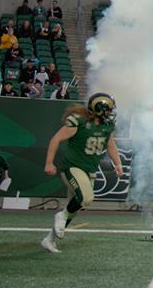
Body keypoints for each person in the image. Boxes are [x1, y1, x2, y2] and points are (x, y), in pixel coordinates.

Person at [40, 93, 120, 254]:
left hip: (89, 170)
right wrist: (49, 162)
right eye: (108, 109)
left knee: (74, 209)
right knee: (86, 197)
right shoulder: (79, 122)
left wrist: (118, 163)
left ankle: (49, 240)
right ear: (99, 109)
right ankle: (60, 216)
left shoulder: (107, 125)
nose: (110, 113)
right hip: (73, 167)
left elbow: (110, 145)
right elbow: (55, 139)